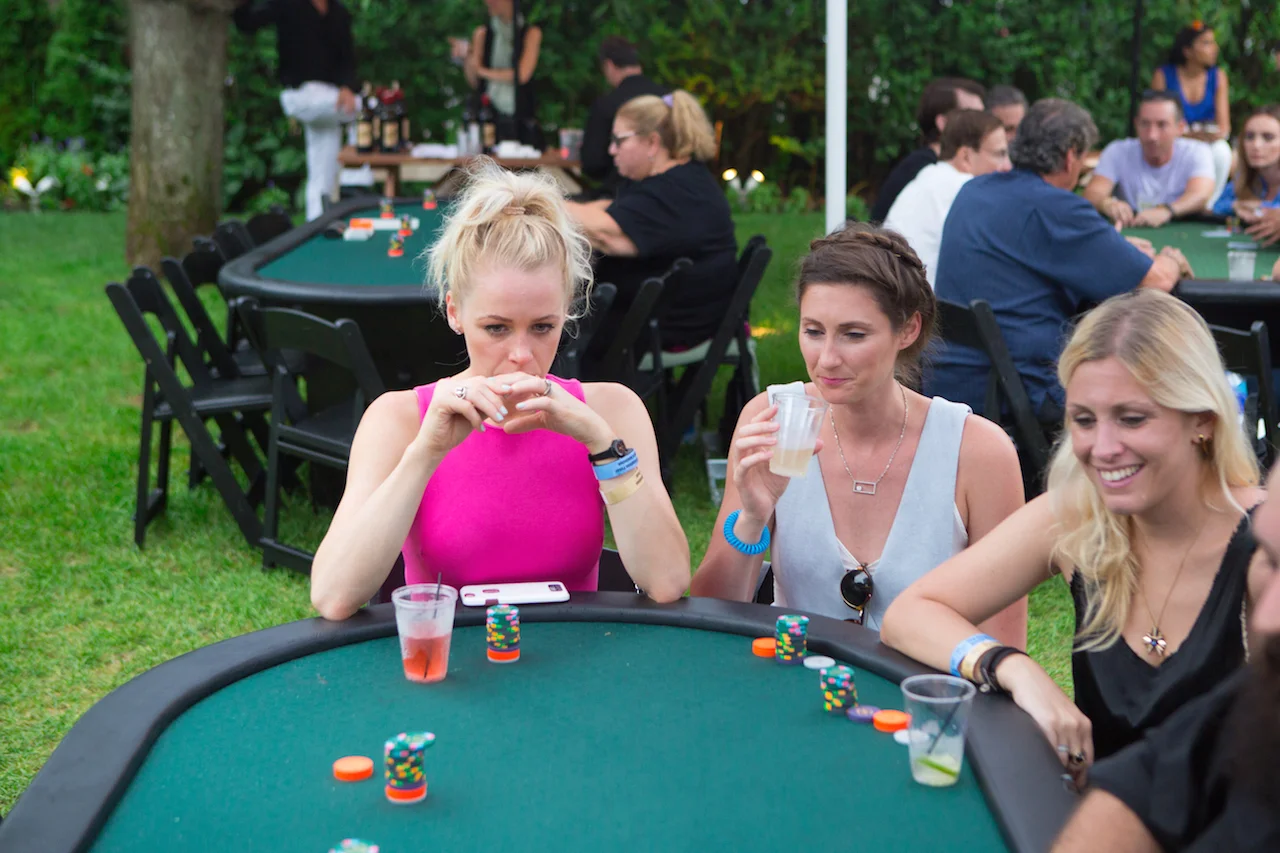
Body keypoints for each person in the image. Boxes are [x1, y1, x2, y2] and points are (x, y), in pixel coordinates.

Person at [884, 289, 1265, 785]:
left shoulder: (1264, 544)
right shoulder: (1078, 519)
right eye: (1084, 420)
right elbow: (909, 614)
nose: (1102, 448)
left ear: (1203, 423)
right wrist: (1013, 667)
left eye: (1132, 418)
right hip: (1099, 816)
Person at [308, 163, 691, 620]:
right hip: (449, 657)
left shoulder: (612, 410)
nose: (521, 355)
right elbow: (333, 596)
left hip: (576, 655)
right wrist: (425, 453)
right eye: (496, 328)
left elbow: (667, 583)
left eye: (543, 327)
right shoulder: (400, 418)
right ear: (454, 312)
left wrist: (603, 446)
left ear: (567, 313)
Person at [689, 224, 1026, 644]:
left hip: (924, 683)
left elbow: (1003, 647)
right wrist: (752, 520)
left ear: (909, 329)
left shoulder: (977, 451)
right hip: (793, 678)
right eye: (813, 331)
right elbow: (711, 616)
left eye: (854, 334)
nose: (827, 359)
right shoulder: (775, 419)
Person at [1051, 463, 1280, 852]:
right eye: (1271, 561)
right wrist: (1009, 665)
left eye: (1133, 426)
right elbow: (1148, 781)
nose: (1266, 617)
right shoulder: (1261, 703)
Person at [924, 98, 1192, 429]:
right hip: (1022, 395)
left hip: (950, 383)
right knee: (1165, 398)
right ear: (1070, 157)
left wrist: (1114, 248)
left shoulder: (975, 190)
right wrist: (1171, 259)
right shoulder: (1058, 208)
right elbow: (1157, 280)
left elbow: (1034, 247)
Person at [565, 90, 737, 351]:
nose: (612, 150)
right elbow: (609, 209)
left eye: (619, 140)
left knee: (555, 326)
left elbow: (605, 233)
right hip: (668, 317)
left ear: (653, 143)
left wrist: (533, 199)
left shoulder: (675, 193)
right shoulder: (678, 181)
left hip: (669, 327)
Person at [234, 0, 359, 221]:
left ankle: (318, 223)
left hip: (332, 98)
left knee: (323, 168)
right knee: (367, 108)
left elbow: (346, 59)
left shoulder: (338, 13)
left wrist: (347, 87)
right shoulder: (288, 4)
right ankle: (359, 182)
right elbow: (247, 22)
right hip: (300, 95)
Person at [883, 109, 1011, 287]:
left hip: (894, 291)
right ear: (966, 156)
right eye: (999, 154)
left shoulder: (928, 176)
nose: (1007, 166)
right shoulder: (966, 189)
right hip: (923, 297)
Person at [1082, 90, 1215, 228]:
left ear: (1180, 127)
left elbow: (1201, 194)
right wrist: (1107, 203)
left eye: (1162, 125)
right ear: (1136, 124)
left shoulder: (1196, 152)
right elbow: (1092, 193)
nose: (1152, 136)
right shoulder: (1117, 151)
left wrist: (1167, 211)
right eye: (1145, 124)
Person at [869, 78, 986, 222]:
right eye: (974, 117)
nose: (985, 124)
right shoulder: (923, 167)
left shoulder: (926, 164)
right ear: (943, 122)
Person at [1151, 21, 1233, 205]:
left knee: (1222, 151)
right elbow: (1155, 122)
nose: (1214, 48)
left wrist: (1199, 136)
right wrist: (1191, 135)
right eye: (1206, 43)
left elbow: (1224, 129)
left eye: (1213, 42)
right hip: (1174, 142)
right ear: (1187, 51)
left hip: (1206, 143)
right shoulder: (1163, 75)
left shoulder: (1218, 76)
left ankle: (1208, 205)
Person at [580, 37, 666, 199]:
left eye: (618, 141)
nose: (612, 149)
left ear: (609, 65)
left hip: (620, 193)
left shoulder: (607, 104)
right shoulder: (668, 98)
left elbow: (593, 163)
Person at [464, 0, 543, 145]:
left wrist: (483, 72)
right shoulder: (482, 33)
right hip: (488, 115)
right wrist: (468, 56)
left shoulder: (530, 33)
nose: (488, 2)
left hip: (519, 118)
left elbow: (522, 75)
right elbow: (475, 81)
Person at [1212, 105, 1280, 219]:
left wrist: (1259, 207)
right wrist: (1236, 205)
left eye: (1268, 137)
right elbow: (1216, 206)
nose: (1256, 145)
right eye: (1249, 137)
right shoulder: (1244, 178)